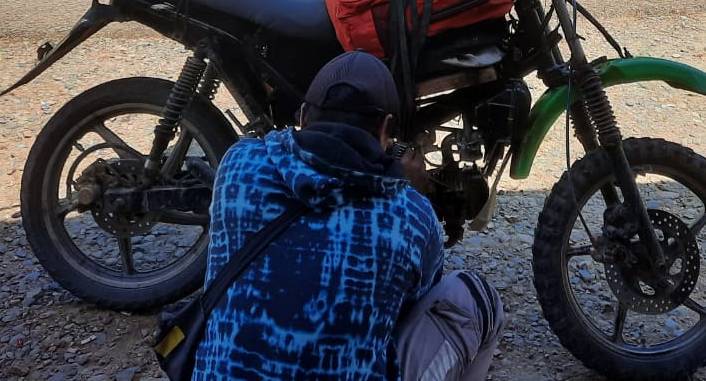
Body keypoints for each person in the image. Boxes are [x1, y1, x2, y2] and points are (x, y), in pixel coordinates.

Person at [192, 50, 503, 381]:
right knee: (477, 297)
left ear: (303, 116)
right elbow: (417, 301)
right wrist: (408, 191)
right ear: (387, 128)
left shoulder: (238, 163)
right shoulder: (411, 214)